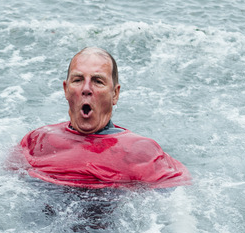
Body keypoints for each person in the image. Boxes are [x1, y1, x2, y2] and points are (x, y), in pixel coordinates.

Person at [11, 47, 191, 189]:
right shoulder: (37, 141)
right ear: (66, 89)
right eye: (78, 79)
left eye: (98, 81)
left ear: (115, 94)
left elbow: (179, 198)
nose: (86, 88)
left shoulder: (140, 153)